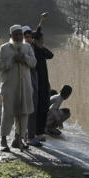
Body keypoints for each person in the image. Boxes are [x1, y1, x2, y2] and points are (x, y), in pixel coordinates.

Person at [0, 25, 36, 151]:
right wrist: (13, 59)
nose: (18, 37)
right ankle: (3, 140)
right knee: (8, 113)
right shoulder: (4, 48)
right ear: (10, 36)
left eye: (20, 34)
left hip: (25, 87)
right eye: (16, 35)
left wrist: (24, 58)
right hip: (9, 87)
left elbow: (34, 63)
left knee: (24, 113)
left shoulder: (27, 47)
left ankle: (18, 139)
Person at [29, 14, 53, 146]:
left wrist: (42, 47)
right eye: (42, 39)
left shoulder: (41, 51)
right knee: (36, 110)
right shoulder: (32, 50)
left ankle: (40, 132)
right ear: (36, 41)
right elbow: (36, 34)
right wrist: (41, 22)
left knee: (44, 108)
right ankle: (34, 133)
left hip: (44, 84)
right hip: (36, 85)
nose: (43, 41)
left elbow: (51, 55)